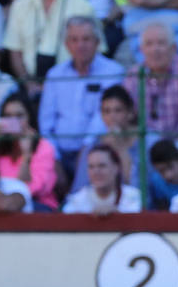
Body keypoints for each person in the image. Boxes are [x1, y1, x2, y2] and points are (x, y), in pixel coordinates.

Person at [2, 0, 97, 92]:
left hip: (71, 85)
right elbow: (15, 51)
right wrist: (28, 83)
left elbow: (94, 51)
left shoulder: (83, 7)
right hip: (30, 86)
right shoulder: (20, 5)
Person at [37, 13, 118, 174]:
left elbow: (105, 118)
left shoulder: (113, 72)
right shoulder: (55, 74)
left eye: (86, 39)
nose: (80, 45)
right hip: (58, 152)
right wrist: (55, 158)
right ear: (66, 44)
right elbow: (46, 122)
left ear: (97, 42)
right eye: (74, 40)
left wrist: (86, 148)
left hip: (98, 150)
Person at [121, 21, 178, 138]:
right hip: (144, 146)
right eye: (149, 44)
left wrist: (177, 146)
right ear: (141, 49)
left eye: (161, 43)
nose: (155, 49)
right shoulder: (133, 75)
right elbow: (125, 117)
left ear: (174, 48)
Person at [0, 91, 58, 209]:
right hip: (2, 207)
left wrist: (26, 155)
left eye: (19, 116)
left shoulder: (44, 146)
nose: (13, 122)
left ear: (29, 117)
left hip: (38, 206)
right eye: (8, 116)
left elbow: (34, 189)